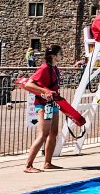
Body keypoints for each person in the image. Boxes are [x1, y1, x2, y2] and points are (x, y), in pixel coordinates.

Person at [16, 44, 66, 173]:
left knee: (53, 133)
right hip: (43, 105)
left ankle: (48, 162)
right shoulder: (44, 68)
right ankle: (28, 165)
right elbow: (29, 83)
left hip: (52, 104)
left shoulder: (54, 68)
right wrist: (44, 90)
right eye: (60, 53)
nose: (62, 55)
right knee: (43, 134)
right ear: (54, 56)